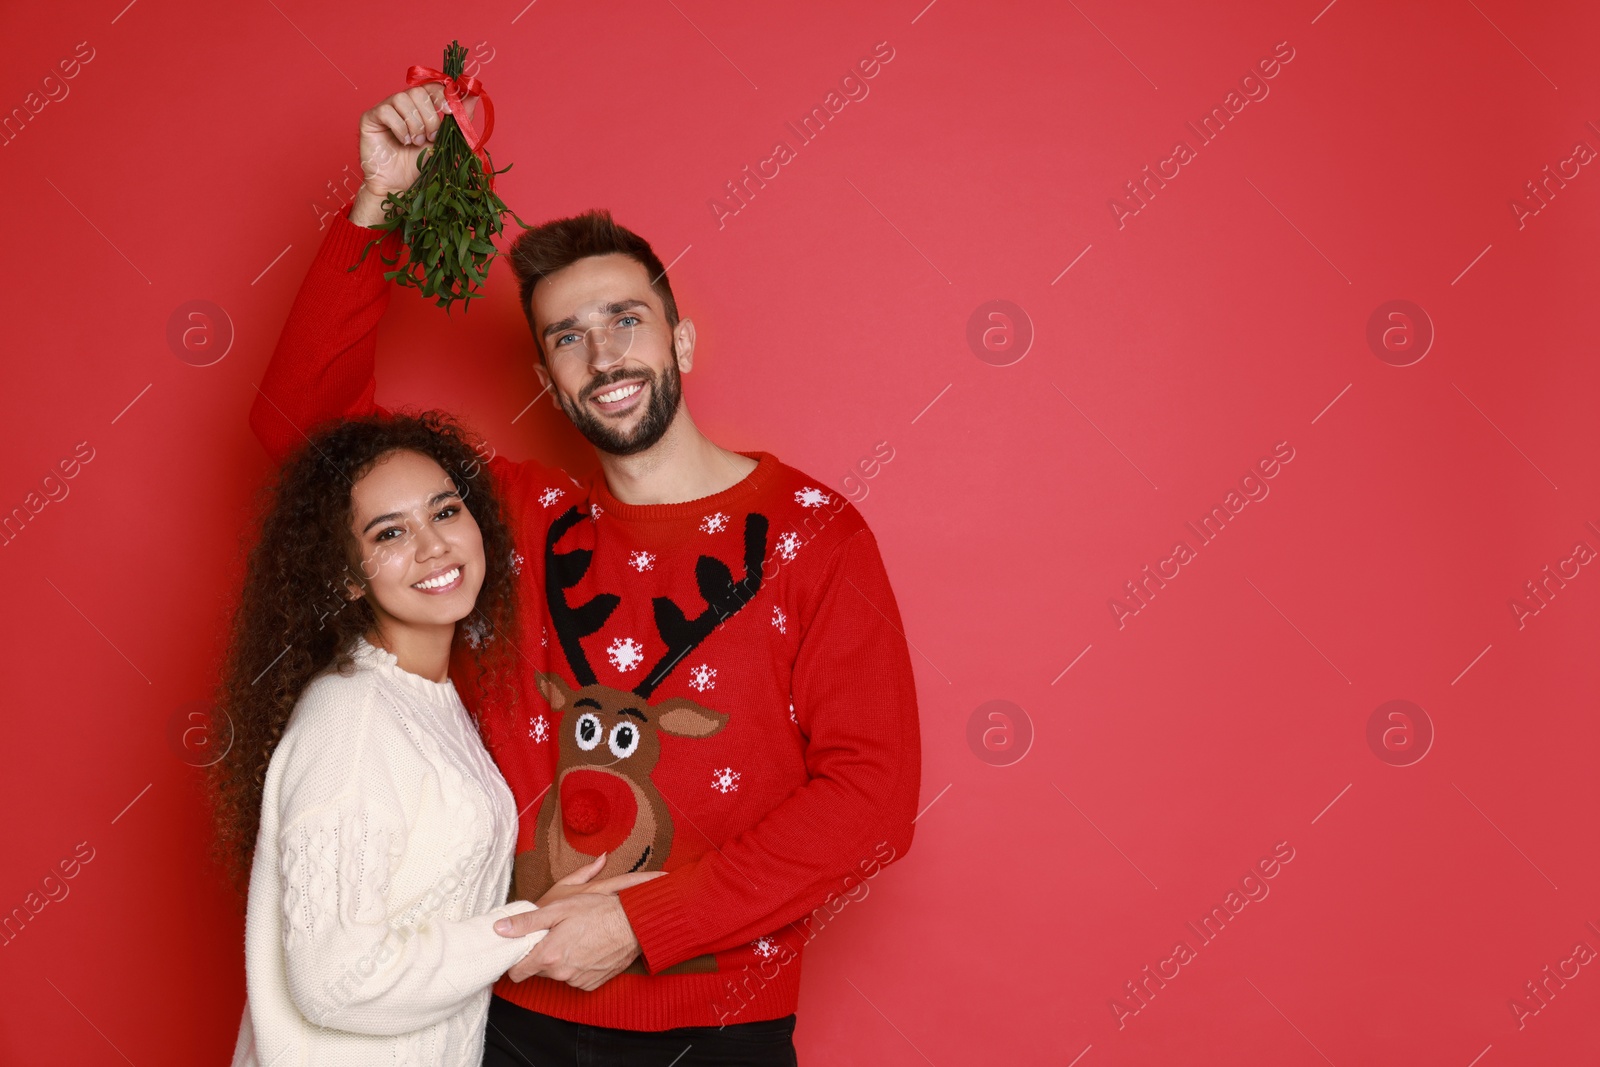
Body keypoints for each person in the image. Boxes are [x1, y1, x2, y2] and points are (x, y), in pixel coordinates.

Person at [249, 81, 923, 1066]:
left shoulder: (815, 533)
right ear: (547, 382)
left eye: (626, 320)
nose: (602, 352)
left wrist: (648, 918)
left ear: (680, 340)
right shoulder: (504, 519)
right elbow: (300, 434)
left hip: (722, 1030)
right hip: (514, 1021)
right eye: (567, 336)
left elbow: (872, 799)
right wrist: (379, 208)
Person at [214, 413, 633, 1066]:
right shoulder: (350, 720)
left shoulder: (426, 698)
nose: (434, 545)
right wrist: (521, 936)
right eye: (390, 532)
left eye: (444, 510)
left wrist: (528, 921)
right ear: (348, 576)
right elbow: (333, 980)